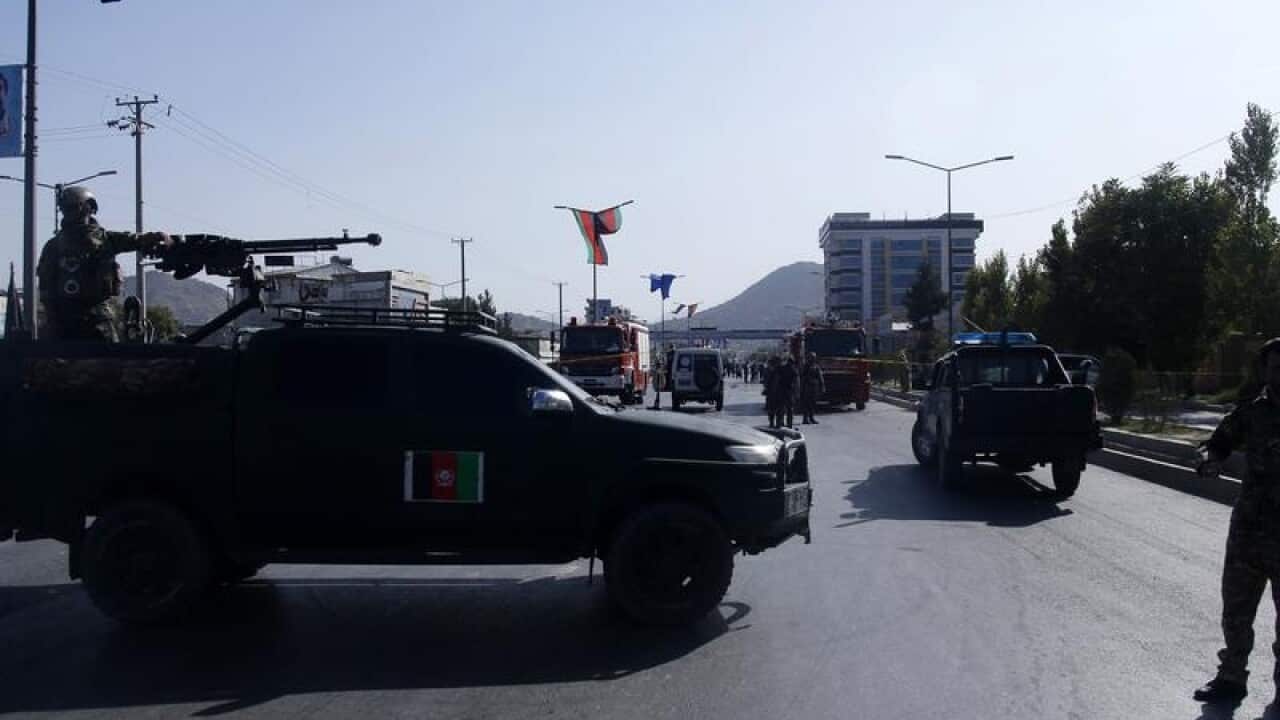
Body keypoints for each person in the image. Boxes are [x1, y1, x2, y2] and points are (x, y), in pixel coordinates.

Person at [1194, 337, 1280, 705]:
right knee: (1236, 610)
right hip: (1248, 530)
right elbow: (1217, 441)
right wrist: (1210, 459)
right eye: (1277, 367)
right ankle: (1231, 678)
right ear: (1265, 370)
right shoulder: (1251, 412)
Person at [36, 186, 171, 341]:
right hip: (65, 319)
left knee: (109, 360)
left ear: (88, 208)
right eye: (66, 208)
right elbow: (46, 288)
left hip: (97, 317)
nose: (70, 213)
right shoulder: (55, 246)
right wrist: (52, 319)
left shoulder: (105, 239)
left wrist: (157, 237)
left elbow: (134, 239)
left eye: (74, 207)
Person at [799, 352, 825, 424]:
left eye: (814, 357)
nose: (813, 359)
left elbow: (820, 377)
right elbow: (801, 376)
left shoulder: (816, 366)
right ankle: (805, 419)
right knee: (806, 404)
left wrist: (822, 386)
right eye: (811, 357)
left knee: (813, 403)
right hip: (807, 387)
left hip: (814, 387)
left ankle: (811, 418)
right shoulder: (805, 366)